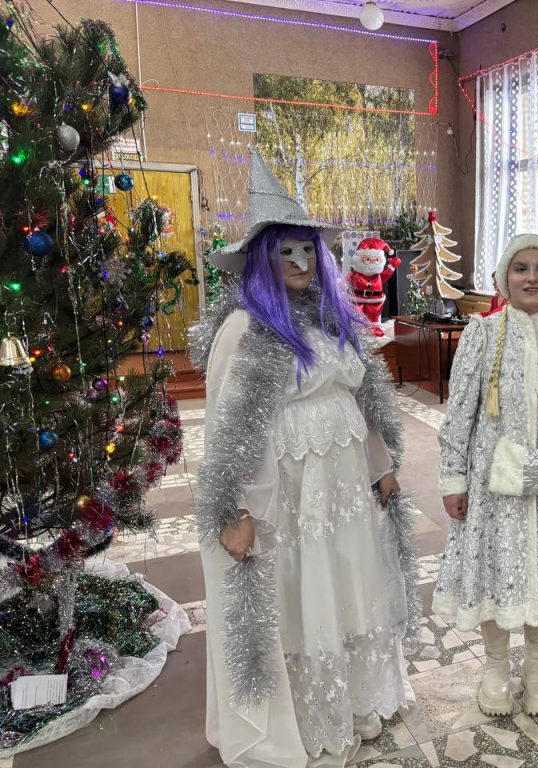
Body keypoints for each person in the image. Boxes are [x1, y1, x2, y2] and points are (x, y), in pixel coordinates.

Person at [191, 150, 414, 767]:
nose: (299, 262)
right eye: (284, 252)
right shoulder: (244, 329)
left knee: (349, 579)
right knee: (302, 590)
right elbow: (228, 429)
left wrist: (382, 465)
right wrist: (234, 509)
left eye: (307, 250)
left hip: (344, 481)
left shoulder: (333, 317)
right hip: (290, 490)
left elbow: (364, 399)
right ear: (262, 260)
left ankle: (357, 700)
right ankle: (311, 716)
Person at [432, 234, 538, 717]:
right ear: (505, 276)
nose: (532, 277)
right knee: (496, 569)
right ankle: (494, 665)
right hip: (493, 486)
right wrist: (453, 478)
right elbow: (460, 413)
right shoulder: (482, 334)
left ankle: (537, 666)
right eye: (521, 268)